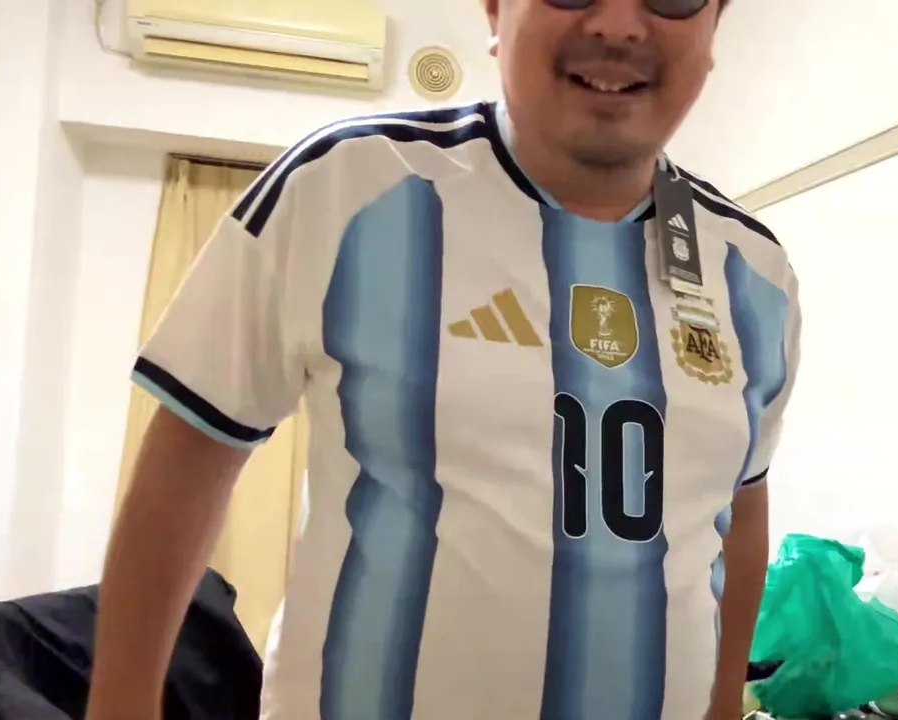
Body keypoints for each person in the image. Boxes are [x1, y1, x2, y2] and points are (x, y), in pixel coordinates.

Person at [86, 0, 800, 718]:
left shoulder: (757, 272)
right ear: (494, 11)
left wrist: (723, 705)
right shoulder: (344, 183)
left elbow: (740, 503)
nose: (618, 24)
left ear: (714, 27)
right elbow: (188, 461)